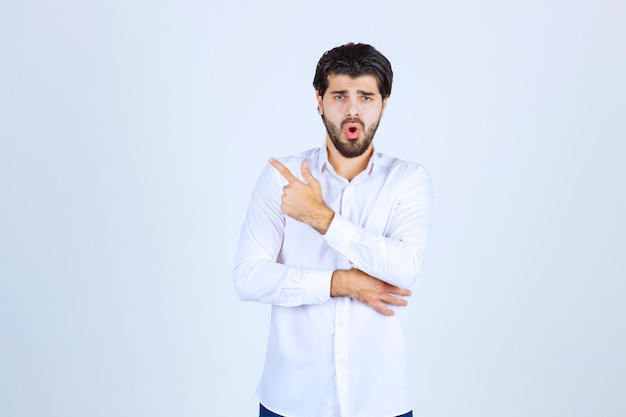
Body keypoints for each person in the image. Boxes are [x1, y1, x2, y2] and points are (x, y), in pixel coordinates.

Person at [233, 42, 433, 417]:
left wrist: (321, 219)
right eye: (340, 95)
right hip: (290, 400)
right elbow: (247, 277)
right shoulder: (283, 178)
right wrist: (339, 284)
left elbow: (405, 267)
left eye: (366, 97)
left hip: (380, 400)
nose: (352, 109)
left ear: (383, 105)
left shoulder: (408, 181)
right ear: (319, 101)